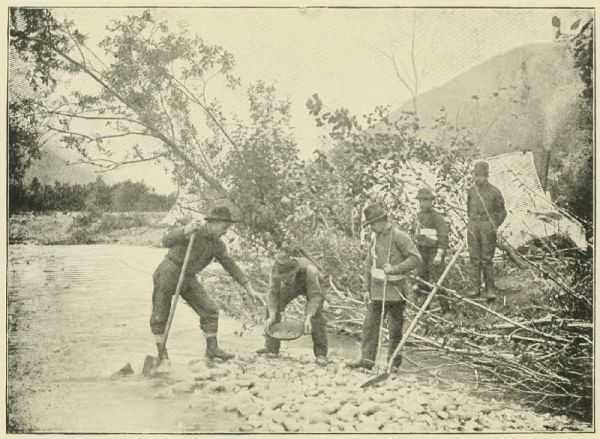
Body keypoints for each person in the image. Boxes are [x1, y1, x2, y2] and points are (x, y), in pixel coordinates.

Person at [150, 206, 261, 364]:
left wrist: (249, 288)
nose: (225, 232)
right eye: (224, 228)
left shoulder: (218, 245)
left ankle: (212, 349)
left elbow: (231, 266)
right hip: (168, 272)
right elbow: (165, 241)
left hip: (188, 277)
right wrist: (185, 230)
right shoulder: (193, 232)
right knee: (160, 315)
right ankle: (162, 353)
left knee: (210, 310)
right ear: (213, 223)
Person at [347, 204, 422, 371]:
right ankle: (367, 361)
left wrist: (394, 269)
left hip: (395, 292)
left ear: (382, 221)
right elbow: (368, 265)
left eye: (373, 224)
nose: (372, 228)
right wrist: (366, 289)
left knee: (395, 330)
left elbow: (416, 259)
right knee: (369, 326)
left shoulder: (399, 237)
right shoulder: (375, 239)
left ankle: (393, 364)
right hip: (376, 292)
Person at [257, 251, 328, 366]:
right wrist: (272, 314)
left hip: (314, 285)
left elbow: (315, 296)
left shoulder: (310, 271)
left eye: (289, 276)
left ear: (295, 272)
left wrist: (308, 318)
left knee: (317, 315)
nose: (286, 279)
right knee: (273, 307)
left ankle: (321, 354)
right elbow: (272, 294)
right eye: (283, 277)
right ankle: (271, 347)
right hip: (291, 288)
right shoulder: (275, 272)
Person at [466, 160, 507, 300]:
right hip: (473, 226)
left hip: (487, 227)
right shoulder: (471, 191)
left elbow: (502, 212)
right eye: (476, 175)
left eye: (481, 175)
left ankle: (490, 289)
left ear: (486, 176)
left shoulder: (495, 192)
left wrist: (493, 225)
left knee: (487, 258)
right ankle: (475, 288)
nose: (478, 178)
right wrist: (473, 223)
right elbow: (468, 209)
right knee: (474, 258)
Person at [410, 187, 451, 316]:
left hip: (434, 252)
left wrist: (439, 253)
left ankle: (446, 309)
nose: (423, 203)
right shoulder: (417, 217)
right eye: (421, 201)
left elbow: (443, 236)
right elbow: (413, 235)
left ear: (431, 202)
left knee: (439, 280)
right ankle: (424, 309)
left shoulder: (437, 218)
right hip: (421, 252)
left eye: (426, 200)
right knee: (422, 279)